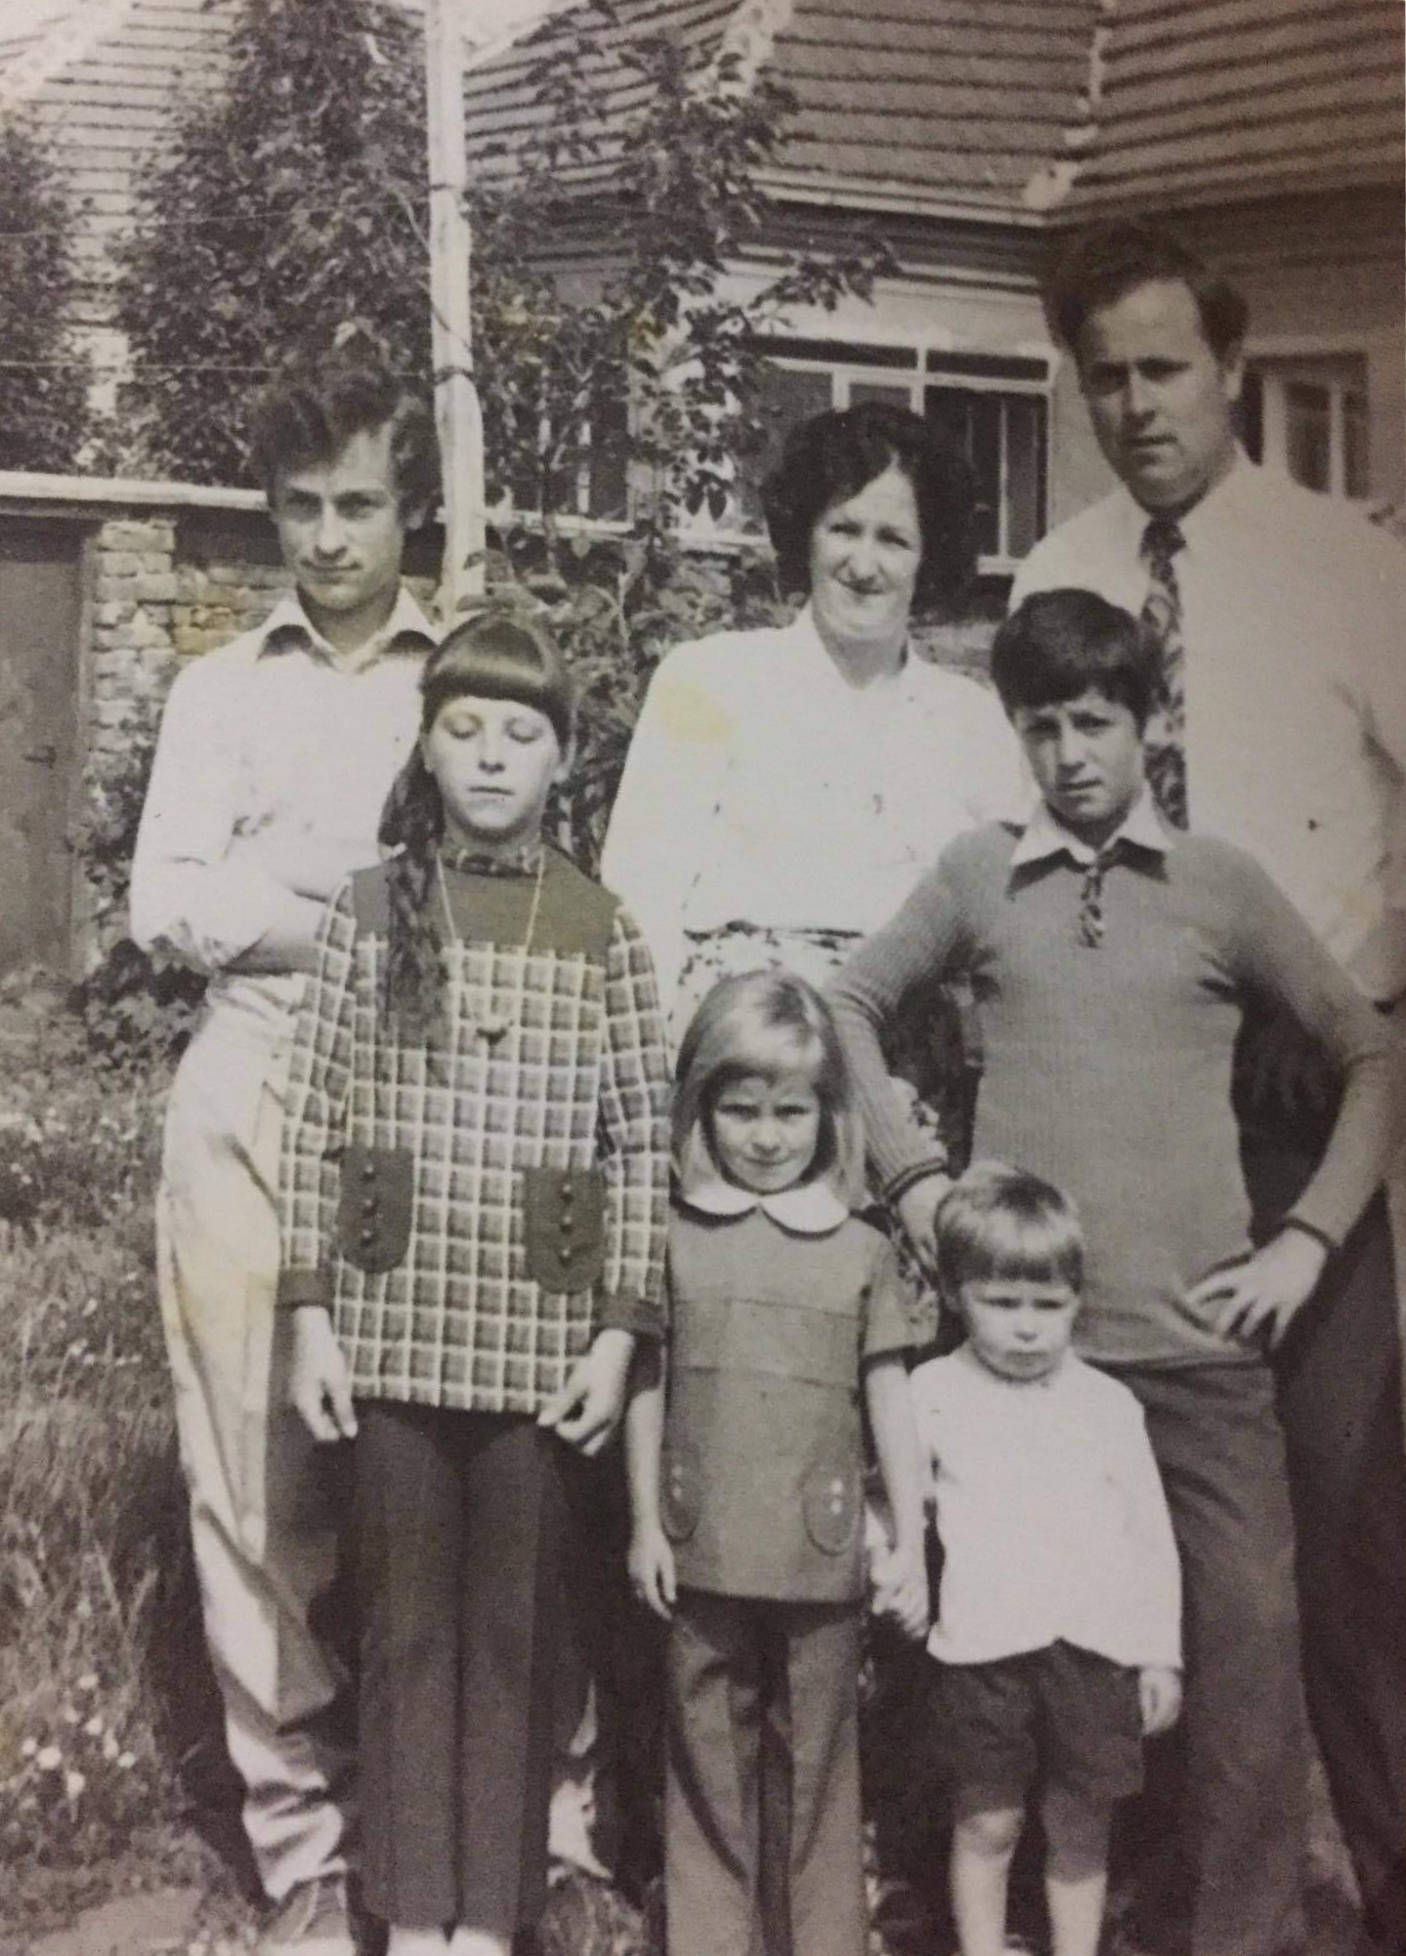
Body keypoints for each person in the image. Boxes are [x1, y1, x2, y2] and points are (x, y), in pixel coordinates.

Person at [829, 587, 1406, 1956]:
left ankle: (1239, 1934)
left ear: (1148, 721)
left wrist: (1307, 1237)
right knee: (1016, 1656)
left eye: (1095, 720)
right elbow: (849, 1000)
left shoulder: (1218, 886)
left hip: (1202, 1358)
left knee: (1247, 1657)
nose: (1071, 753)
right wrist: (914, 1179)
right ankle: (1005, 1913)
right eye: (1041, 727)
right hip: (1033, 1366)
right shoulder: (980, 876)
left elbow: (1370, 1053)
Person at [1011, 219, 1406, 1956]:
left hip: (1311, 1085)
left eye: (1163, 367)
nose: (1134, 403)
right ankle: (1168, 1897)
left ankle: (1383, 1882)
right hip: (1133, 1092)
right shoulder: (1055, 570)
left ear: (1231, 367)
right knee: (1137, 1515)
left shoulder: (1346, 564)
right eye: (1104, 376)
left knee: (1339, 1525)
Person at [276, 612, 672, 1956]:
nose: (491, 757)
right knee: (402, 1630)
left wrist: (618, 1340)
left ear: (564, 758)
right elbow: (312, 1118)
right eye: (463, 729)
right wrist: (310, 1314)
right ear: (426, 745)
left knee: (517, 1637)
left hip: (540, 1346)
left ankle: (488, 1921)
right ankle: (409, 1908)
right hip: (389, 1328)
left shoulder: (605, 932)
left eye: (522, 733)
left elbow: (641, 1146)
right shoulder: (367, 910)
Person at [130, 346, 441, 1955]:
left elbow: (459, 910)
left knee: (425, 1466)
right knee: (255, 1472)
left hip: (422, 1093)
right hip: (245, 1089)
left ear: (414, 513)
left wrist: (284, 890)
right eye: (302, 507)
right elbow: (164, 903)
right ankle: (300, 1837)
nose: (328, 540)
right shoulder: (217, 688)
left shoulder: (453, 674)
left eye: (361, 507)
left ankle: (447, 1818)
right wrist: (338, 889)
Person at [624, 969, 929, 1956]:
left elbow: (890, 1399)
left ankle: (821, 1940)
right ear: (699, 1108)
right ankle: (711, 1938)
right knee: (706, 1753)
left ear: (825, 1115)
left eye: (789, 1111)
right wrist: (640, 1522)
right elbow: (646, 1386)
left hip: (818, 1550)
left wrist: (911, 1544)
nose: (765, 1135)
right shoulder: (669, 1241)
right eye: (740, 1109)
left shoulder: (858, 1250)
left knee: (818, 1765)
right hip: (697, 1541)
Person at [601, 399, 1023, 1048]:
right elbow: (640, 897)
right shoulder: (708, 680)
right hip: (744, 1057)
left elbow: (1011, 921)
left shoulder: (971, 719)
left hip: (908, 1061)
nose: (864, 563)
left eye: (893, 539)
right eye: (843, 529)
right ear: (804, 533)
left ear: (927, 556)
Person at [913, 1162, 1181, 1956]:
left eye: (1048, 1305)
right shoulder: (931, 1391)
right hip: (983, 1652)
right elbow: (895, 1499)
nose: (1026, 1327)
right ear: (958, 1294)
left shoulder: (1107, 1405)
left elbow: (1149, 1537)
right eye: (1001, 1303)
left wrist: (1158, 1655)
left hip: (1092, 1654)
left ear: (1076, 1301)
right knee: (988, 1818)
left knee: (1080, 1822)